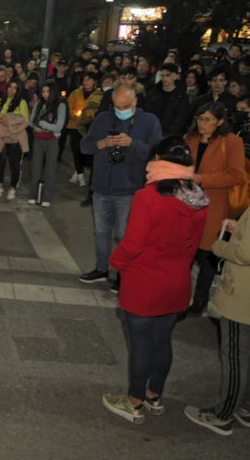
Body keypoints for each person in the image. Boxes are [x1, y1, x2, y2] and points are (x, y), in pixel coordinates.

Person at [102, 136, 208, 425]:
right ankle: (154, 395)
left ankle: (133, 402)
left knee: (140, 346)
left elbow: (133, 243)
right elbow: (193, 246)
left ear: (158, 160)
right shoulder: (198, 198)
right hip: (176, 281)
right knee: (162, 341)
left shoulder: (147, 197)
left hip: (144, 281)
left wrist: (116, 263)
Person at [79, 86, 163, 290]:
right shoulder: (103, 119)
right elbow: (84, 145)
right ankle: (101, 268)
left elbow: (156, 153)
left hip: (129, 189)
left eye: (124, 106)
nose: (120, 110)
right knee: (101, 232)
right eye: (116, 106)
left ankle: (124, 275)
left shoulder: (149, 121)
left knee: (125, 234)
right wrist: (102, 143)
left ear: (135, 103)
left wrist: (132, 143)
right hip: (101, 187)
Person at [185, 208, 250, 435]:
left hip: (242, 298)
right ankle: (245, 406)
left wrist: (219, 246)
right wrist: (239, 228)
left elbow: (244, 253)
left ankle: (222, 414)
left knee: (234, 356)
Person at [185, 102, 245, 313]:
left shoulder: (231, 142)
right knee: (185, 253)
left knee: (206, 256)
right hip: (187, 204)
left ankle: (199, 302)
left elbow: (236, 175)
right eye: (200, 119)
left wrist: (202, 178)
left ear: (220, 122)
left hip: (214, 205)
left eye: (207, 119)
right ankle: (180, 298)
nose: (202, 123)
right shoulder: (189, 138)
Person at [0, 80, 30, 200]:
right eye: (10, 87)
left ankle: (12, 188)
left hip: (16, 139)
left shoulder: (22, 102)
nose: (11, 90)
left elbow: (26, 121)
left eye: (15, 88)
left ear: (18, 90)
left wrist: (13, 127)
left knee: (15, 165)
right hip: (1, 138)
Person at [28, 82, 67, 207]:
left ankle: (47, 197)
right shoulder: (39, 103)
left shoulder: (60, 105)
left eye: (47, 92)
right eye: (43, 91)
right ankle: (32, 195)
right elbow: (31, 122)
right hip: (38, 139)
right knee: (36, 168)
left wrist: (43, 125)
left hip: (52, 141)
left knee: (50, 169)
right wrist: (40, 128)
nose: (45, 94)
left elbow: (59, 126)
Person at [66, 72, 103, 186]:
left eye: (89, 79)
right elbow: (68, 107)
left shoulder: (98, 95)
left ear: (94, 81)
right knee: (76, 149)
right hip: (75, 125)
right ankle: (81, 174)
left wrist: (89, 115)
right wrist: (75, 114)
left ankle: (78, 171)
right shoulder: (76, 93)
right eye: (84, 80)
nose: (86, 82)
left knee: (85, 151)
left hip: (89, 126)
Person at [145, 63, 189, 136]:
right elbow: (148, 113)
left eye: (168, 75)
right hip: (152, 132)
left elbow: (179, 119)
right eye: (162, 76)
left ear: (175, 76)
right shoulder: (152, 94)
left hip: (171, 135)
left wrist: (166, 134)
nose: (164, 78)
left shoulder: (182, 97)